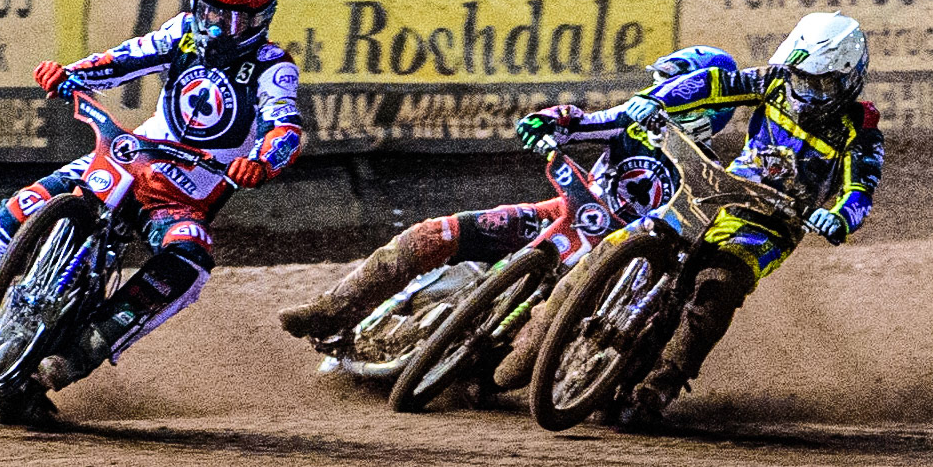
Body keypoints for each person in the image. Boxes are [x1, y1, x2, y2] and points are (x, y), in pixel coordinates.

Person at [0, 0, 304, 424]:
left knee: (189, 263)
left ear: (259, 20)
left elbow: (286, 125)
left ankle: (74, 357)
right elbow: (124, 58)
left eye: (228, 18)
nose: (213, 26)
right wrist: (71, 75)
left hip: (185, 193)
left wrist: (262, 160)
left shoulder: (273, 67)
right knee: (22, 205)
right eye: (207, 11)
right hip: (131, 154)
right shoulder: (182, 33)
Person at [277, 46, 740, 387]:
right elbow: (579, 118)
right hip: (565, 215)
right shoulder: (636, 119)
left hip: (618, 266)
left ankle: (596, 383)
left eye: (668, 83)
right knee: (434, 234)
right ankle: (332, 309)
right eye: (657, 81)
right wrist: (546, 123)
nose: (655, 90)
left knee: (531, 355)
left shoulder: (710, 172)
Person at [616, 11, 883, 426]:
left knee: (718, 285)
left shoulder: (860, 131)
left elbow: (859, 191)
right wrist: (657, 99)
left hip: (776, 222)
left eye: (821, 83)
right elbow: (713, 84)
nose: (807, 92)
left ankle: (661, 385)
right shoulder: (773, 81)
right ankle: (547, 315)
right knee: (636, 236)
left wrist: (839, 219)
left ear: (850, 79)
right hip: (721, 187)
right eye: (801, 78)